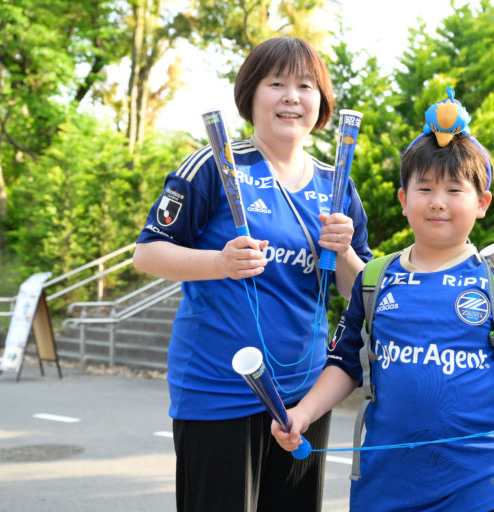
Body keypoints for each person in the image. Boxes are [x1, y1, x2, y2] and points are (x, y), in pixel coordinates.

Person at [271, 89, 494, 512]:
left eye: (454, 189)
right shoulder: (373, 280)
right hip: (384, 491)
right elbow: (344, 365)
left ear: (482, 203)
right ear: (404, 200)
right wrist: (303, 413)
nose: (437, 202)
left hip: (482, 491)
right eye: (425, 188)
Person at [133, 36, 372, 512]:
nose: (291, 97)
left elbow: (357, 293)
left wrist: (344, 251)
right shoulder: (214, 166)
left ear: (322, 101)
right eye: (276, 83)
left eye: (306, 86)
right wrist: (218, 263)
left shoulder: (337, 185)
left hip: (304, 396)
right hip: (219, 390)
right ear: (250, 94)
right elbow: (147, 253)